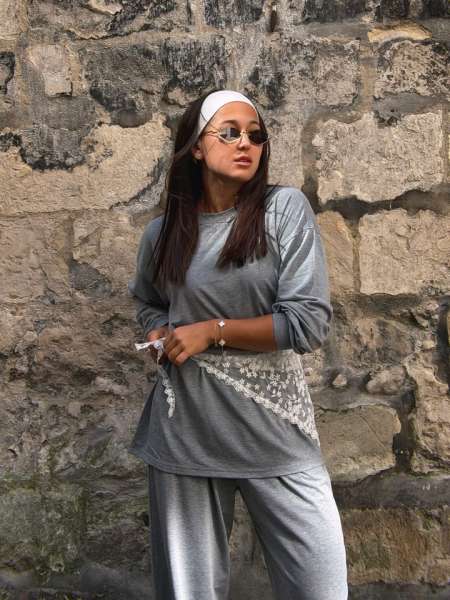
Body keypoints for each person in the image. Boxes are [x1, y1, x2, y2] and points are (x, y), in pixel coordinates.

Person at [128, 89, 348, 600]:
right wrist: (158, 331)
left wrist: (212, 331)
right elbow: (149, 301)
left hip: (273, 431)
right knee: (190, 591)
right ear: (196, 147)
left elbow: (307, 323)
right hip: (186, 431)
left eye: (255, 134)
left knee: (320, 587)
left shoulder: (283, 210)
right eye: (228, 132)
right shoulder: (162, 233)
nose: (245, 143)